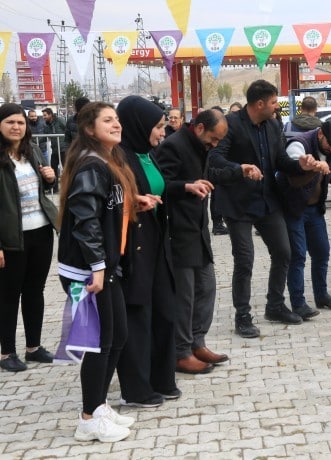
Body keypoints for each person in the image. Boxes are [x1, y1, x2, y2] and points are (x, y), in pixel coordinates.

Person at [208, 80, 325, 337]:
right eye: (273, 102)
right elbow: (215, 158)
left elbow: (281, 160)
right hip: (238, 204)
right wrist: (241, 169)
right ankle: (243, 315)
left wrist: (301, 165)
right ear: (259, 103)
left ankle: (274, 305)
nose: (276, 107)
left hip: (267, 200)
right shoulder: (231, 124)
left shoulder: (273, 125)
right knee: (245, 260)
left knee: (284, 251)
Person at [57, 101, 139, 442]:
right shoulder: (92, 164)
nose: (116, 124)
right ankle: (88, 417)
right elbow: (85, 219)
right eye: (108, 120)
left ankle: (99, 404)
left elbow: (107, 209)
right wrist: (98, 267)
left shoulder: (108, 161)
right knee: (99, 343)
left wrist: (138, 203)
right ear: (90, 129)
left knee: (117, 336)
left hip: (107, 264)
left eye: (117, 119)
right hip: (89, 268)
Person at [114, 96, 179, 407]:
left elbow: (159, 187)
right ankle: (137, 389)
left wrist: (186, 186)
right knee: (138, 316)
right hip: (134, 247)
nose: (162, 133)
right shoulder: (118, 157)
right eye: (157, 127)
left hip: (157, 242)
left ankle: (163, 378)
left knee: (166, 310)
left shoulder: (146, 153)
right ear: (138, 126)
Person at [155, 109, 229, 373]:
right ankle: (181, 352)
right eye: (213, 138)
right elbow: (159, 183)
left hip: (199, 229)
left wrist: (239, 170)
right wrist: (186, 186)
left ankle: (197, 342)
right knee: (184, 296)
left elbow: (211, 174)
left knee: (207, 287)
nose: (215, 144)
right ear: (199, 128)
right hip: (178, 230)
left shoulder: (203, 147)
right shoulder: (173, 146)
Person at [0, 103, 58, 372]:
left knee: (35, 290)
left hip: (41, 231)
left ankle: (33, 347)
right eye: (10, 122)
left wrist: (49, 178)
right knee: (8, 295)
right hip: (11, 237)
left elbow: (42, 188)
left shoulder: (31, 151)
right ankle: (6, 353)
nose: (16, 127)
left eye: (20, 123)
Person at [280, 120, 331, 315]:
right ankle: (298, 303)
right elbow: (294, 175)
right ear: (320, 135)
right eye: (330, 145)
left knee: (322, 251)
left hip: (315, 209)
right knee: (298, 256)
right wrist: (311, 167)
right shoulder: (298, 144)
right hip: (294, 209)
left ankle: (321, 295)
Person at [42, 107, 67, 192]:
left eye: (45, 115)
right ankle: (55, 188)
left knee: (66, 169)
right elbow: (44, 137)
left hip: (64, 149)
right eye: (43, 115)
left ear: (50, 114)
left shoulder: (60, 120)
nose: (44, 117)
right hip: (55, 150)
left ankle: (69, 187)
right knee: (53, 168)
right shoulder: (46, 125)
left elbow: (67, 130)